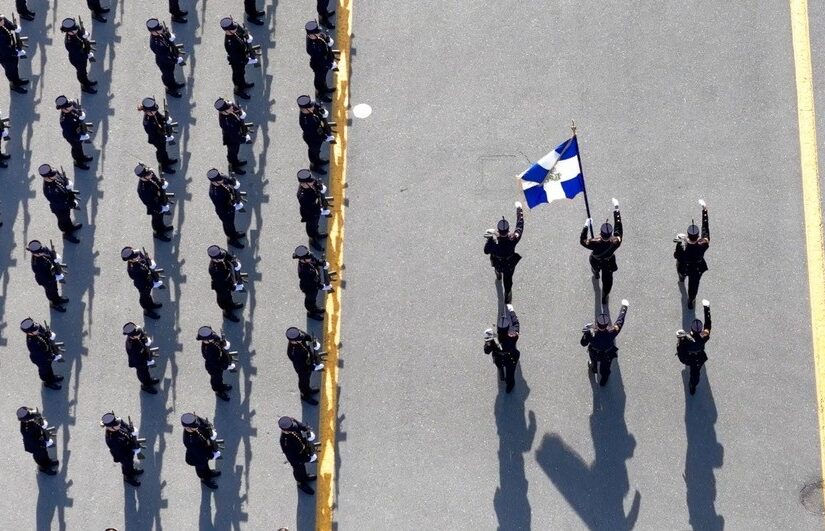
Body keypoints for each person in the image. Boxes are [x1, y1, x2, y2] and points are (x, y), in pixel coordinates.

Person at [581, 198, 623, 305]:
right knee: (608, 282)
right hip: (608, 263)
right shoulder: (615, 242)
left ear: (600, 233)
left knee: (595, 269)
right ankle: (605, 296)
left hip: (596, 260)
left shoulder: (594, 242)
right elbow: (619, 227)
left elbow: (582, 241)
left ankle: (596, 274)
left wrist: (586, 226)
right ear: (610, 234)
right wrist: (616, 208)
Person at [580, 300, 629, 387]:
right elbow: (620, 321)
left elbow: (583, 343)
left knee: (593, 361)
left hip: (594, 352)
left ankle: (594, 368)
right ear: (607, 325)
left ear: (597, 323)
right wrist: (624, 308)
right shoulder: (612, 331)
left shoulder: (591, 333)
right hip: (607, 354)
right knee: (605, 368)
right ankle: (603, 380)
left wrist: (585, 333)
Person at [484, 202, 524, 304]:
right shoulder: (513, 238)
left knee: (497, 268)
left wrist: (489, 239)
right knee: (508, 281)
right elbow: (520, 226)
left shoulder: (493, 241)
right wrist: (519, 209)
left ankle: (498, 274)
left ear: (498, 230)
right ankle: (507, 295)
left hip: (497, 262)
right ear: (508, 230)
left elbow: (486, 251)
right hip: (509, 265)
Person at [674, 200, 710, 309]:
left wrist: (680, 240)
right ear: (698, 236)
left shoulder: (682, 246)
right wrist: (704, 211)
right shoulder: (703, 244)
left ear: (688, 236)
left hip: (684, 267)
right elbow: (706, 230)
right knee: (693, 287)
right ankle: (691, 301)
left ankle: (681, 279)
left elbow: (676, 255)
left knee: (681, 272)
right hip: (697, 269)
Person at [39, 164, 82, 243]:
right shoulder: (49, 191)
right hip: (60, 208)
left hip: (66, 201)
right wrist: (72, 204)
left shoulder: (53, 173)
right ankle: (66, 234)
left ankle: (71, 227)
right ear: (46, 178)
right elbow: (60, 203)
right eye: (52, 175)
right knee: (63, 220)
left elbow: (62, 177)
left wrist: (68, 183)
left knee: (68, 217)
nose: (55, 175)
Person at [677, 299, 712, 395]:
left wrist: (680, 339)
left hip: (688, 359)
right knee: (695, 373)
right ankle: (693, 386)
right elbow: (708, 325)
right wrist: (707, 308)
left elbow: (680, 347)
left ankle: (692, 385)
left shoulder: (686, 339)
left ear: (691, 329)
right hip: (698, 359)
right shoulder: (703, 338)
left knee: (694, 371)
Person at [101, 413, 143, 487]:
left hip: (128, 450)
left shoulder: (116, 423)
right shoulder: (112, 440)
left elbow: (124, 424)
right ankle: (128, 478)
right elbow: (122, 452)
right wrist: (133, 447)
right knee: (127, 465)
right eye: (116, 425)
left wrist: (130, 429)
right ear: (110, 428)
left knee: (130, 463)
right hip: (123, 455)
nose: (118, 425)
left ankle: (132, 471)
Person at [208, 168, 246, 248]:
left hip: (230, 203)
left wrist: (234, 182)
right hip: (225, 212)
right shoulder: (215, 194)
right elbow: (222, 209)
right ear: (214, 182)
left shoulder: (218, 178)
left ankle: (234, 234)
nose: (222, 180)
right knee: (229, 225)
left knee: (231, 224)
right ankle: (232, 240)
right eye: (220, 180)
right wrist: (234, 208)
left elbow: (226, 178)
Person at [279, 416, 318, 494]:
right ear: (284, 430)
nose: (294, 428)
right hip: (297, 458)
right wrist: (308, 459)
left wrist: (308, 431)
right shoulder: (285, 443)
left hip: (302, 448)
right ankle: (301, 483)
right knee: (299, 470)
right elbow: (294, 459)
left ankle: (305, 477)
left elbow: (300, 425)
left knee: (303, 468)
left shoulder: (291, 422)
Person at [181, 413, 222, 488]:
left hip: (205, 448)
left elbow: (204, 422)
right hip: (198, 458)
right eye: (194, 428)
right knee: (201, 468)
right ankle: (205, 480)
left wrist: (211, 430)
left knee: (206, 464)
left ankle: (209, 472)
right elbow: (200, 453)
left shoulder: (194, 420)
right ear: (187, 428)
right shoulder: (189, 440)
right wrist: (212, 455)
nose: (197, 428)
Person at [122, 246, 164, 319]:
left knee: (148, 296)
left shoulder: (137, 254)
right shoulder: (132, 269)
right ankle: (147, 311)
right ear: (131, 260)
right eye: (135, 257)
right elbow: (140, 279)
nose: (138, 256)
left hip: (147, 278)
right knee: (144, 297)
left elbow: (145, 258)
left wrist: (151, 262)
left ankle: (151, 304)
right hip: (143, 284)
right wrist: (151, 283)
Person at [21, 318, 64, 389]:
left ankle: (52, 377)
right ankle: (48, 382)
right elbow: (41, 355)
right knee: (45, 371)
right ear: (29, 333)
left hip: (47, 352)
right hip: (41, 360)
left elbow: (42, 329)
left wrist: (49, 334)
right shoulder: (32, 344)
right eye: (35, 330)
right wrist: (53, 357)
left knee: (49, 367)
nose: (37, 330)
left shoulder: (35, 327)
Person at [147, 18, 185, 97]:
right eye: (159, 30)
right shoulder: (156, 44)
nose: (162, 30)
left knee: (171, 73)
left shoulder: (158, 32)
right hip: (164, 62)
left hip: (169, 56)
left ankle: (173, 84)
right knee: (168, 76)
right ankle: (170, 90)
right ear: (153, 32)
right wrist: (175, 60)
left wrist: (170, 38)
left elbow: (165, 34)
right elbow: (165, 57)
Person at [138, 97, 178, 172]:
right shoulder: (147, 123)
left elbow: (160, 117)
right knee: (161, 152)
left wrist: (165, 119)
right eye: (153, 111)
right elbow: (154, 134)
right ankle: (163, 167)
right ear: (147, 112)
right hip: (157, 139)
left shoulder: (153, 112)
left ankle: (167, 160)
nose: (155, 111)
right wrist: (164, 135)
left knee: (164, 150)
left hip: (161, 136)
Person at [135, 163, 173, 241]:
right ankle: (158, 233)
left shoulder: (149, 174)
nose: (151, 174)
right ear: (143, 177)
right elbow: (150, 203)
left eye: (150, 172)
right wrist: (161, 208)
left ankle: (162, 227)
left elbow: (156, 180)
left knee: (161, 218)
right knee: (156, 220)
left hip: (160, 198)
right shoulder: (142, 190)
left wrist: (161, 184)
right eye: (149, 174)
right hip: (155, 206)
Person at [286, 327, 324, 405]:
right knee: (304, 382)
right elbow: (301, 367)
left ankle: (308, 390)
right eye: (299, 339)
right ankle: (305, 396)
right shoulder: (294, 353)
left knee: (308, 379)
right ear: (293, 341)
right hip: (302, 369)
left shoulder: (298, 335)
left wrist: (314, 341)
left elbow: (306, 336)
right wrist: (313, 367)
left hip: (308, 360)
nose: (301, 339)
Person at [221, 17, 257, 100]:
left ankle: (243, 84)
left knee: (242, 73)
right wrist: (247, 60)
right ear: (227, 31)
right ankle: (238, 90)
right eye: (233, 28)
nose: (236, 28)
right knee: (238, 76)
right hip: (237, 62)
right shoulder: (230, 44)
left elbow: (242, 31)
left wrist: (247, 36)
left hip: (242, 56)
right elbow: (236, 58)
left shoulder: (234, 28)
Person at [28, 240, 68, 311]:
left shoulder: (43, 250)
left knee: (55, 288)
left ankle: (57, 299)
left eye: (41, 251)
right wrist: (53, 278)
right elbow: (43, 277)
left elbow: (51, 254)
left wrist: (55, 259)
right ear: (34, 253)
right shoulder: (36, 265)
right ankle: (54, 303)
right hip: (46, 280)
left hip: (51, 272)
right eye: (39, 253)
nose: (41, 253)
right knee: (50, 291)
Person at [197, 326, 235, 401]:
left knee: (220, 377)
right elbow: (215, 363)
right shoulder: (207, 351)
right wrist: (225, 366)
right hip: (213, 367)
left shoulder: (212, 336)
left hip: (220, 358)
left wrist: (224, 343)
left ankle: (221, 385)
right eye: (211, 338)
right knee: (216, 379)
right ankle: (219, 391)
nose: (213, 337)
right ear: (205, 340)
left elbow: (219, 340)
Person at [293, 245, 332, 321]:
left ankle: (315, 308)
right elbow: (312, 284)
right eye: (308, 258)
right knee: (310, 300)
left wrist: (323, 263)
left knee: (314, 299)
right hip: (309, 288)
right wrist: (322, 287)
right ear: (303, 260)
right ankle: (311, 313)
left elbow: (315, 260)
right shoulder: (304, 272)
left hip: (314, 282)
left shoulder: (307, 258)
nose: (310, 258)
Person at [208, 245, 245, 322]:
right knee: (224, 299)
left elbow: (229, 256)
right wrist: (233, 287)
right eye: (221, 258)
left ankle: (231, 305)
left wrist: (235, 262)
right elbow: (223, 284)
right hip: (221, 286)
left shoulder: (221, 253)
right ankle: (227, 312)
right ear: (215, 259)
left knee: (229, 296)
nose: (223, 258)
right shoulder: (215, 270)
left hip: (227, 279)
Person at [298, 95, 334, 174]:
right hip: (313, 139)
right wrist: (325, 137)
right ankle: (315, 166)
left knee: (317, 151)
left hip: (317, 134)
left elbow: (316, 106)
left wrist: (323, 111)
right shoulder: (306, 122)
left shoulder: (309, 109)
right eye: (311, 107)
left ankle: (318, 161)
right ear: (304, 109)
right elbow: (315, 134)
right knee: (314, 152)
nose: (313, 107)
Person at [61, 18, 97, 94]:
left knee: (84, 70)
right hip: (77, 60)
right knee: (81, 73)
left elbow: (80, 32)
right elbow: (78, 55)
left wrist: (84, 35)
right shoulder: (69, 43)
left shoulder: (74, 30)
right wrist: (87, 56)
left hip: (82, 53)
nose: (77, 30)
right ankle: (84, 86)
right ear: (69, 32)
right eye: (75, 30)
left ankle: (87, 81)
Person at [55, 95, 93, 169]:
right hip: (72, 136)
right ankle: (78, 162)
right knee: (76, 148)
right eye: (69, 106)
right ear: (64, 109)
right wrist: (80, 137)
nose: (72, 106)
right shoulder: (64, 121)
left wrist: (82, 113)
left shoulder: (71, 103)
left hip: (79, 128)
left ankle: (82, 157)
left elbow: (79, 109)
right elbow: (70, 134)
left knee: (80, 146)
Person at [296, 168, 330, 249]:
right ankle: (313, 240)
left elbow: (316, 184)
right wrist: (320, 210)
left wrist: (321, 188)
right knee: (311, 227)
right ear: (304, 183)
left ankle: (317, 234)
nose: (313, 182)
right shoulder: (303, 197)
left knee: (316, 224)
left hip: (315, 208)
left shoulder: (310, 182)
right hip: (309, 213)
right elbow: (310, 208)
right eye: (310, 182)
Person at [17, 407, 58, 474]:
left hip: (39, 441)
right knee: (40, 457)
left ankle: (48, 462)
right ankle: (43, 468)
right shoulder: (26, 430)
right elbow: (33, 442)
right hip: (36, 446)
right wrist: (42, 444)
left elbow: (37, 427)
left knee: (45, 453)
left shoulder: (27, 422)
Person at [214, 98, 250, 174]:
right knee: (233, 152)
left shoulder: (227, 106)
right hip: (231, 139)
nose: (232, 108)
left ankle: (236, 162)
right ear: (224, 111)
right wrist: (244, 139)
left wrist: (240, 112)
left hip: (236, 131)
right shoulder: (225, 122)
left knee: (236, 151)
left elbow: (233, 105)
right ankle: (233, 167)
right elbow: (234, 136)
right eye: (229, 108)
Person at [123, 322, 160, 394]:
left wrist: (146, 341)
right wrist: (146, 362)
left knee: (146, 371)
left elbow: (142, 335)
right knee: (143, 373)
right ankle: (145, 386)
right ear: (132, 337)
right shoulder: (132, 348)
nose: (139, 335)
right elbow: (137, 360)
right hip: (139, 362)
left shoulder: (136, 332)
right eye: (138, 336)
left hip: (143, 356)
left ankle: (149, 381)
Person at [305, 21, 337, 102]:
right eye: (316, 33)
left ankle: (325, 89)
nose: (319, 34)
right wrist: (329, 65)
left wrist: (328, 39)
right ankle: (321, 94)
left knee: (323, 79)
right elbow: (320, 60)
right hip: (319, 65)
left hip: (325, 60)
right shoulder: (312, 47)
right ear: (310, 35)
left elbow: (323, 36)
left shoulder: (316, 35)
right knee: (319, 80)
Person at [0, 14, 28, 93]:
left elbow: (7, 22)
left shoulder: (2, 21)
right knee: (10, 71)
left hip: (11, 49)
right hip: (5, 57)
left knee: (15, 67)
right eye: (1, 21)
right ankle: (14, 86)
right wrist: (16, 53)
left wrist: (14, 27)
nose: (3, 21)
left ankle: (17, 81)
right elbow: (4, 50)